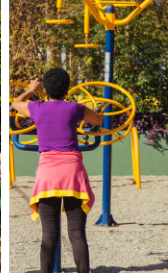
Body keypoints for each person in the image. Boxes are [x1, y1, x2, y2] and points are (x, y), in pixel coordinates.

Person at [12, 68, 104, 273]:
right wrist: (98, 113)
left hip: (48, 176)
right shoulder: (75, 108)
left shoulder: (36, 108)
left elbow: (15, 104)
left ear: (44, 88)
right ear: (68, 90)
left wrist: (30, 90)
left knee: (49, 236)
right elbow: (98, 121)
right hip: (73, 173)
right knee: (77, 234)